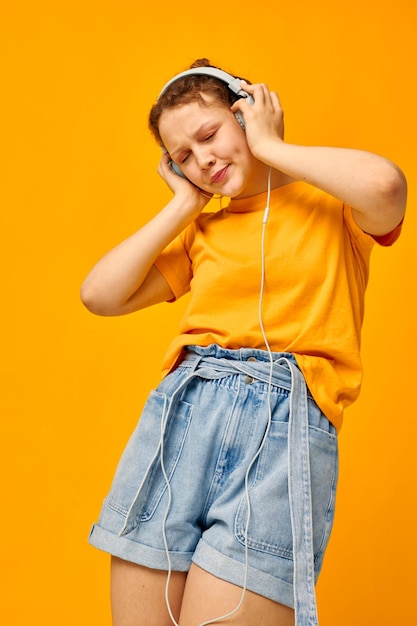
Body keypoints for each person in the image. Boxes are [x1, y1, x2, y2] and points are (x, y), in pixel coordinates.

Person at [81, 58, 407, 626]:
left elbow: (386, 185)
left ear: (245, 112)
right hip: (182, 420)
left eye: (209, 135)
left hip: (283, 428)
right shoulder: (200, 233)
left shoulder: (334, 208)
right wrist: (184, 204)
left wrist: (273, 146)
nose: (202, 159)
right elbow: (99, 294)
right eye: (182, 156)